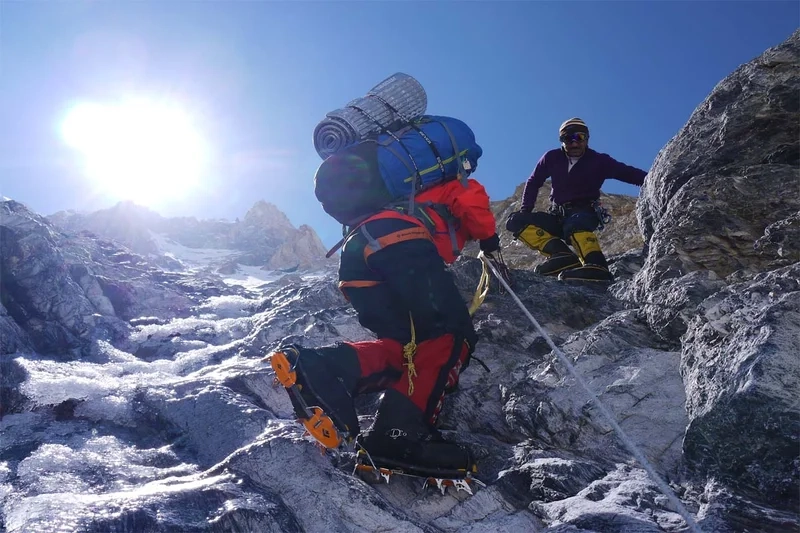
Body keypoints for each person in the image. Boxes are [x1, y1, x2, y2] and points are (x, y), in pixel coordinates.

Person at [270, 150, 500, 477]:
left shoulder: (405, 186)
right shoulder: (454, 180)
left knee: (405, 346)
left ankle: (319, 367)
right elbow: (473, 207)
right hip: (397, 240)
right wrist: (490, 242)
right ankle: (398, 436)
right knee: (449, 332)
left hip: (359, 251)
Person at [505, 117, 647, 281]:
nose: (574, 143)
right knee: (515, 221)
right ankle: (562, 256)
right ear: (562, 140)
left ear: (586, 139)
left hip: (584, 212)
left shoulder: (599, 161)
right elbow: (533, 182)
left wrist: (654, 179)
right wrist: (525, 211)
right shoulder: (551, 157)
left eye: (579, 137)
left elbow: (629, 173)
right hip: (557, 216)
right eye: (568, 138)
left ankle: (597, 266)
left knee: (575, 225)